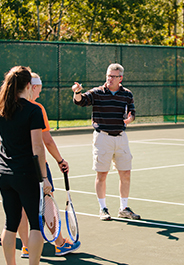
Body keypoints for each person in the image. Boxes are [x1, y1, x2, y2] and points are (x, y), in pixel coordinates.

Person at [0, 66, 51, 265]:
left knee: (10, 224)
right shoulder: (33, 110)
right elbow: (37, 147)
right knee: (35, 225)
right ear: (28, 85)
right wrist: (44, 178)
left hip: (4, 175)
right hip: (26, 175)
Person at [18, 73, 81, 258]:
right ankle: (60, 243)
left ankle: (26, 247)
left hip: (16, 166)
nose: (39, 94)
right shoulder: (36, 108)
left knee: (21, 208)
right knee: (48, 202)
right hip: (36, 167)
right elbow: (46, 141)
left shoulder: (7, 106)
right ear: (32, 87)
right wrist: (60, 160)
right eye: (39, 89)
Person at [71, 63, 140, 221]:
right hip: (102, 138)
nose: (110, 79)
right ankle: (103, 208)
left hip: (121, 138)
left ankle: (124, 208)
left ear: (120, 78)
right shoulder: (97, 92)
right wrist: (77, 92)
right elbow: (81, 101)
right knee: (102, 174)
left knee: (126, 173)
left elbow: (132, 113)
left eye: (113, 76)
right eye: (108, 75)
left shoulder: (127, 94)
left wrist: (129, 119)